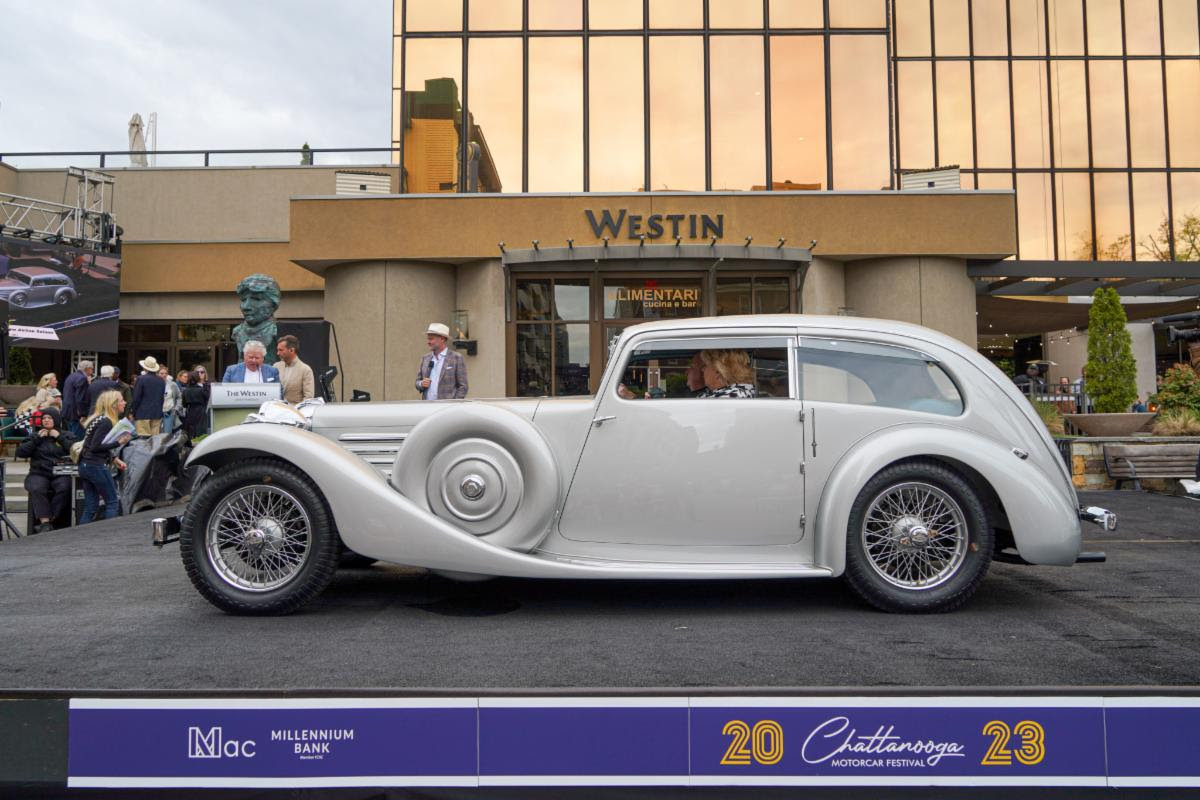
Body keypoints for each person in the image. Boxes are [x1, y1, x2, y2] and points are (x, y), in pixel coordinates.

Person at [16, 406, 76, 533]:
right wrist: (37, 439)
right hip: (39, 472)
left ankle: (50, 519)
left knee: (65, 487)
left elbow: (75, 450)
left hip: (60, 472)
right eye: (44, 418)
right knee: (36, 487)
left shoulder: (67, 435)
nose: (46, 420)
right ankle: (45, 523)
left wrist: (59, 437)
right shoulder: (34, 436)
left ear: (56, 419)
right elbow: (21, 453)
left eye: (49, 418)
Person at [78, 390, 131, 523]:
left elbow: (92, 445)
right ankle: (109, 535)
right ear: (113, 404)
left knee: (91, 506)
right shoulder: (106, 422)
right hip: (96, 466)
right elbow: (96, 446)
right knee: (112, 501)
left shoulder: (98, 419)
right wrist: (118, 442)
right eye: (121, 400)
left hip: (86, 465)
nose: (124, 402)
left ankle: (80, 535)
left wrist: (114, 459)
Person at [415, 322, 467, 400]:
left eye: (431, 339)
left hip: (447, 409)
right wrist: (421, 384)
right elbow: (417, 382)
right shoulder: (425, 358)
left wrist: (453, 404)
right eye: (428, 339)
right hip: (427, 408)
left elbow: (463, 386)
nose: (428, 342)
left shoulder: (456, 358)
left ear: (442, 339)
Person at [130, 356, 167, 436]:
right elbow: (162, 398)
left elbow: (136, 398)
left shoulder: (140, 379)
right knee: (154, 441)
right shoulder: (161, 380)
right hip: (157, 413)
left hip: (142, 413)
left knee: (143, 440)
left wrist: (133, 412)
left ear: (144, 368)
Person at [274, 334, 315, 404]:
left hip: (295, 412)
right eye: (277, 350)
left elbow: (308, 398)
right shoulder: (276, 366)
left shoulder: (305, 370)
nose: (278, 353)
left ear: (291, 350)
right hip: (276, 411)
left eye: (281, 350)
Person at [60, 360, 94, 437]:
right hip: (76, 413)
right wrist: (83, 414)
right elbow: (80, 399)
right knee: (77, 438)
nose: (92, 371)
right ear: (87, 369)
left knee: (70, 436)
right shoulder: (82, 378)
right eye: (92, 369)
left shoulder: (71, 376)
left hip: (67, 411)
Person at [181, 370, 210, 438]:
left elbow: (184, 404)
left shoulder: (185, 390)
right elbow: (207, 399)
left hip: (190, 410)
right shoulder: (202, 389)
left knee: (191, 429)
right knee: (200, 429)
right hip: (201, 410)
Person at [159, 364, 182, 434]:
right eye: (162, 373)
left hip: (169, 412)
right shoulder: (154, 384)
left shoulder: (172, 384)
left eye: (166, 373)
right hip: (157, 413)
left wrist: (176, 408)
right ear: (157, 374)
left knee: (167, 434)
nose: (164, 375)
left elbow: (179, 397)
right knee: (156, 434)